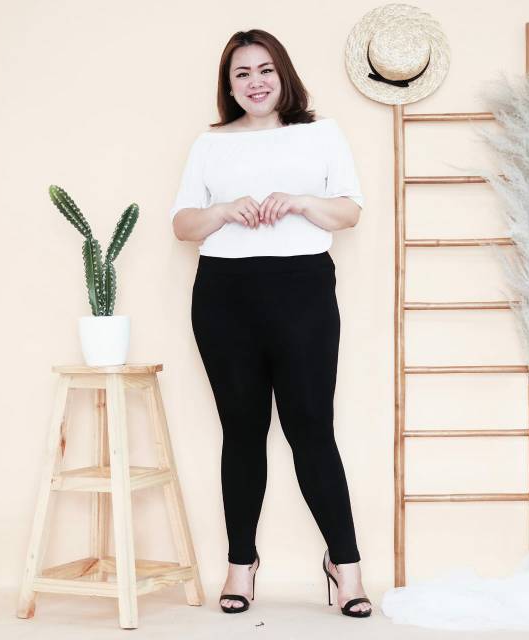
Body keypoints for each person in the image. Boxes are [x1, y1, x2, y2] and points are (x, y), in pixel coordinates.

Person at [169, 28, 372, 618]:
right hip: (224, 296)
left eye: (265, 70)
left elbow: (350, 212)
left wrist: (301, 201)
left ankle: (346, 567)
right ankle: (241, 565)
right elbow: (182, 225)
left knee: (312, 430)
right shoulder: (209, 144)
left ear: (283, 75)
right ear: (229, 85)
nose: (255, 82)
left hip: (302, 289)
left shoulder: (321, 134)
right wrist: (223, 211)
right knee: (242, 432)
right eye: (242, 73)